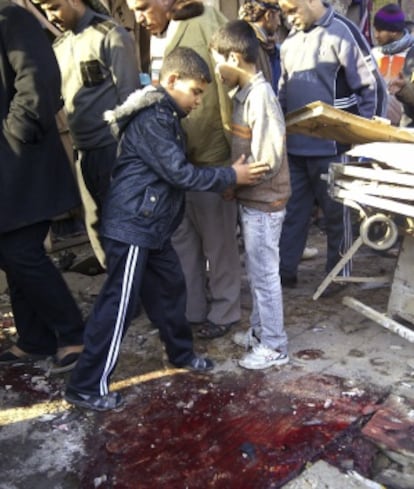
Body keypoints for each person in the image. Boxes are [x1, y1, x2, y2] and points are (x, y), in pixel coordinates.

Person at [64, 47, 270, 411]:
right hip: (132, 226)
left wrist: (225, 176)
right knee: (119, 306)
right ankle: (85, 385)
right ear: (172, 80)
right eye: (196, 91)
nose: (199, 100)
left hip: (151, 224)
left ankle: (180, 354)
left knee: (171, 292)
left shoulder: (164, 114)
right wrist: (230, 175)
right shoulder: (155, 117)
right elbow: (180, 172)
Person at [127, 0, 242, 340]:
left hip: (210, 161)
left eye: (144, 7)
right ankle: (191, 310)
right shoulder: (164, 31)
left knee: (218, 244)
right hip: (177, 164)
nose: (138, 17)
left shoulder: (204, 21)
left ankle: (224, 311)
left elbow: (224, 97)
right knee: (183, 244)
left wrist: (230, 166)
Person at [277, 0, 387, 289]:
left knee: (338, 216)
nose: (288, 18)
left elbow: (372, 88)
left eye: (292, 9)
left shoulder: (342, 33)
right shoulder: (289, 42)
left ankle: (338, 275)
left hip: (334, 149)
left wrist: (361, 141)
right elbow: (284, 90)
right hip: (296, 148)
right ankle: (284, 272)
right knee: (293, 214)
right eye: (284, 12)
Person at [0, 0, 84, 373]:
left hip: (20, 162)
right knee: (10, 254)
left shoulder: (11, 17)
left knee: (21, 252)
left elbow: (39, 82)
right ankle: (34, 339)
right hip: (8, 166)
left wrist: (13, 136)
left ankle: (73, 333)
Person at [210, 20, 291, 369]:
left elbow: (268, 160)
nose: (215, 70)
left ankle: (274, 345)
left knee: (264, 275)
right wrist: (234, 182)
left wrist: (236, 178)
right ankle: (260, 332)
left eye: (217, 60)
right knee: (258, 272)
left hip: (264, 202)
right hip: (253, 200)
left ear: (235, 57)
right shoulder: (245, 95)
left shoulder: (260, 97)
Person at [36, 0, 140, 268]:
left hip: (113, 149)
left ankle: (131, 293)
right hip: (82, 151)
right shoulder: (60, 46)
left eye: (55, 7)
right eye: (45, 9)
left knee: (121, 227)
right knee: (95, 226)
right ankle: (115, 286)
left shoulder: (110, 35)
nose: (51, 16)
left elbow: (130, 101)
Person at [371, 3, 414, 125]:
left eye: (380, 30)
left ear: (394, 32)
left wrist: (404, 90)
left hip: (405, 128)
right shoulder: (373, 54)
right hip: (375, 124)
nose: (376, 35)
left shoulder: (411, 55)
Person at [238, 0, 282, 94]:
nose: (279, 23)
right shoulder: (251, 43)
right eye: (278, 16)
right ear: (269, 15)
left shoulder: (266, 43)